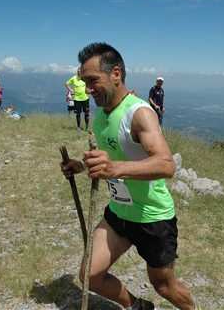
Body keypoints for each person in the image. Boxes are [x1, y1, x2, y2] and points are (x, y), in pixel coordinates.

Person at [60, 42, 198, 310]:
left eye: (92, 81)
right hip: (119, 212)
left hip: (152, 217)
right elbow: (110, 154)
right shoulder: (101, 114)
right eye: (83, 82)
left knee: (164, 286)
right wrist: (81, 164)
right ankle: (138, 307)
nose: (87, 90)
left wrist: (114, 169)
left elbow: (166, 164)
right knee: (90, 276)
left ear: (115, 74)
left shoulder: (140, 113)